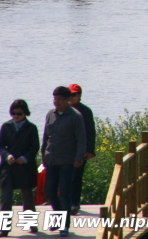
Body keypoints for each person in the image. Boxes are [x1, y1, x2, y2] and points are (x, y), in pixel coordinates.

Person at [41, 86, 86, 237]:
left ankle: (64, 225)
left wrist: (79, 157)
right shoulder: (50, 115)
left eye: (60, 99)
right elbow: (45, 137)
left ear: (67, 100)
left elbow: (81, 139)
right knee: (50, 192)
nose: (56, 102)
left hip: (68, 161)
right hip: (51, 160)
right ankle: (58, 216)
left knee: (65, 193)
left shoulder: (75, 116)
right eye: (55, 98)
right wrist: (43, 156)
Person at [0, 99, 40, 236]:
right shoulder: (6, 126)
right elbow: (0, 145)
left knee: (27, 197)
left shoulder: (31, 128)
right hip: (9, 166)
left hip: (25, 167)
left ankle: (31, 224)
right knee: (6, 197)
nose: (16, 116)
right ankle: (4, 228)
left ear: (25, 113)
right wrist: (7, 156)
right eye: (13, 113)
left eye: (19, 113)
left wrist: (25, 158)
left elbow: (35, 147)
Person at [67, 84, 95, 215]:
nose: (72, 97)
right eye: (70, 95)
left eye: (74, 95)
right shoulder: (63, 110)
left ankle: (74, 203)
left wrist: (90, 150)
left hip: (81, 150)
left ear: (79, 96)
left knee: (76, 177)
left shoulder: (86, 111)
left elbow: (91, 132)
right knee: (65, 177)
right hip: (65, 150)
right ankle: (65, 202)